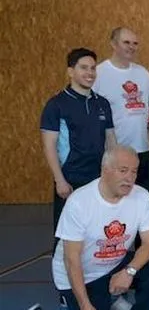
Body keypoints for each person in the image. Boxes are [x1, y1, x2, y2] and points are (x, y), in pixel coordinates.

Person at [24, 146, 149, 310]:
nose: (130, 178)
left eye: (134, 171)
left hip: (114, 265)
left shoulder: (141, 196)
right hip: (80, 275)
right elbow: (71, 260)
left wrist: (129, 271)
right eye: (123, 170)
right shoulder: (80, 202)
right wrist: (86, 307)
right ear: (105, 170)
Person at [40, 48, 117, 237]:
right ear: (70, 71)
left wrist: (114, 173)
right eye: (84, 68)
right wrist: (60, 181)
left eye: (92, 68)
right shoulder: (56, 105)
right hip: (71, 179)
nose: (90, 73)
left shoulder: (103, 104)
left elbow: (111, 141)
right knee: (68, 235)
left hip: (99, 179)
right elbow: (49, 146)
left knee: (98, 234)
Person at [92, 27, 149, 199]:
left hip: (142, 150)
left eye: (135, 43)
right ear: (113, 44)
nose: (131, 47)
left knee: (144, 201)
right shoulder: (99, 73)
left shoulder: (142, 73)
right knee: (116, 205)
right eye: (126, 42)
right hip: (114, 153)